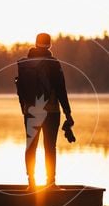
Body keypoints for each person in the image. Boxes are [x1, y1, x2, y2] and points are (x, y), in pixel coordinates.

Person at [15, 32, 74, 189]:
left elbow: (20, 91)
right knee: (50, 147)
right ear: (49, 45)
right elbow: (62, 91)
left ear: (35, 43)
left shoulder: (25, 65)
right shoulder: (54, 64)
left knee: (31, 146)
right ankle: (51, 183)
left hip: (31, 111)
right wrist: (68, 114)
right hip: (51, 112)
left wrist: (25, 110)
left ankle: (31, 183)